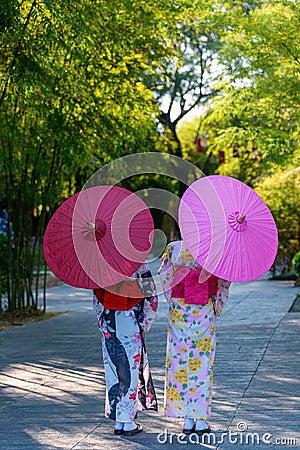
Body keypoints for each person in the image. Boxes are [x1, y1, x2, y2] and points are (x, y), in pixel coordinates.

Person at [158, 240, 230, 435]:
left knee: (179, 361)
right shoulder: (213, 248)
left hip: (179, 310)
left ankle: (186, 418)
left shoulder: (173, 248)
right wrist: (215, 307)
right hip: (203, 309)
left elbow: (164, 279)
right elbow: (224, 282)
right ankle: (200, 419)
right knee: (202, 362)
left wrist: (174, 303)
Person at [93, 262, 158, 436]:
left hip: (109, 322)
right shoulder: (138, 263)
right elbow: (151, 296)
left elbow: (96, 296)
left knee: (113, 370)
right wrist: (144, 324)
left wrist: (102, 323)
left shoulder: (101, 263)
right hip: (130, 322)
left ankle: (119, 421)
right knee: (130, 369)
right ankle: (128, 422)